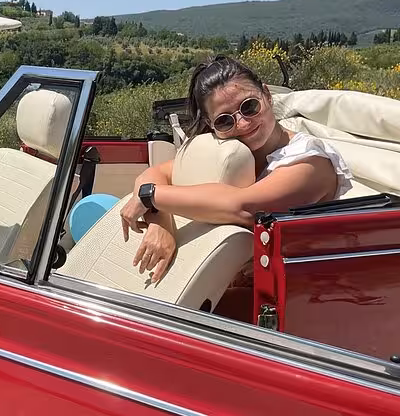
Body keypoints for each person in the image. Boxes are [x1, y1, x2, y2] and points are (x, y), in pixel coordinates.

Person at [120, 55, 352, 284]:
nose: (242, 123)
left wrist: (151, 197)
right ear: (212, 125)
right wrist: (161, 220)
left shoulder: (310, 161)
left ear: (267, 96)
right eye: (224, 120)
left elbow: (244, 207)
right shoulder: (233, 154)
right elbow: (156, 174)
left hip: (303, 288)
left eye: (249, 106)